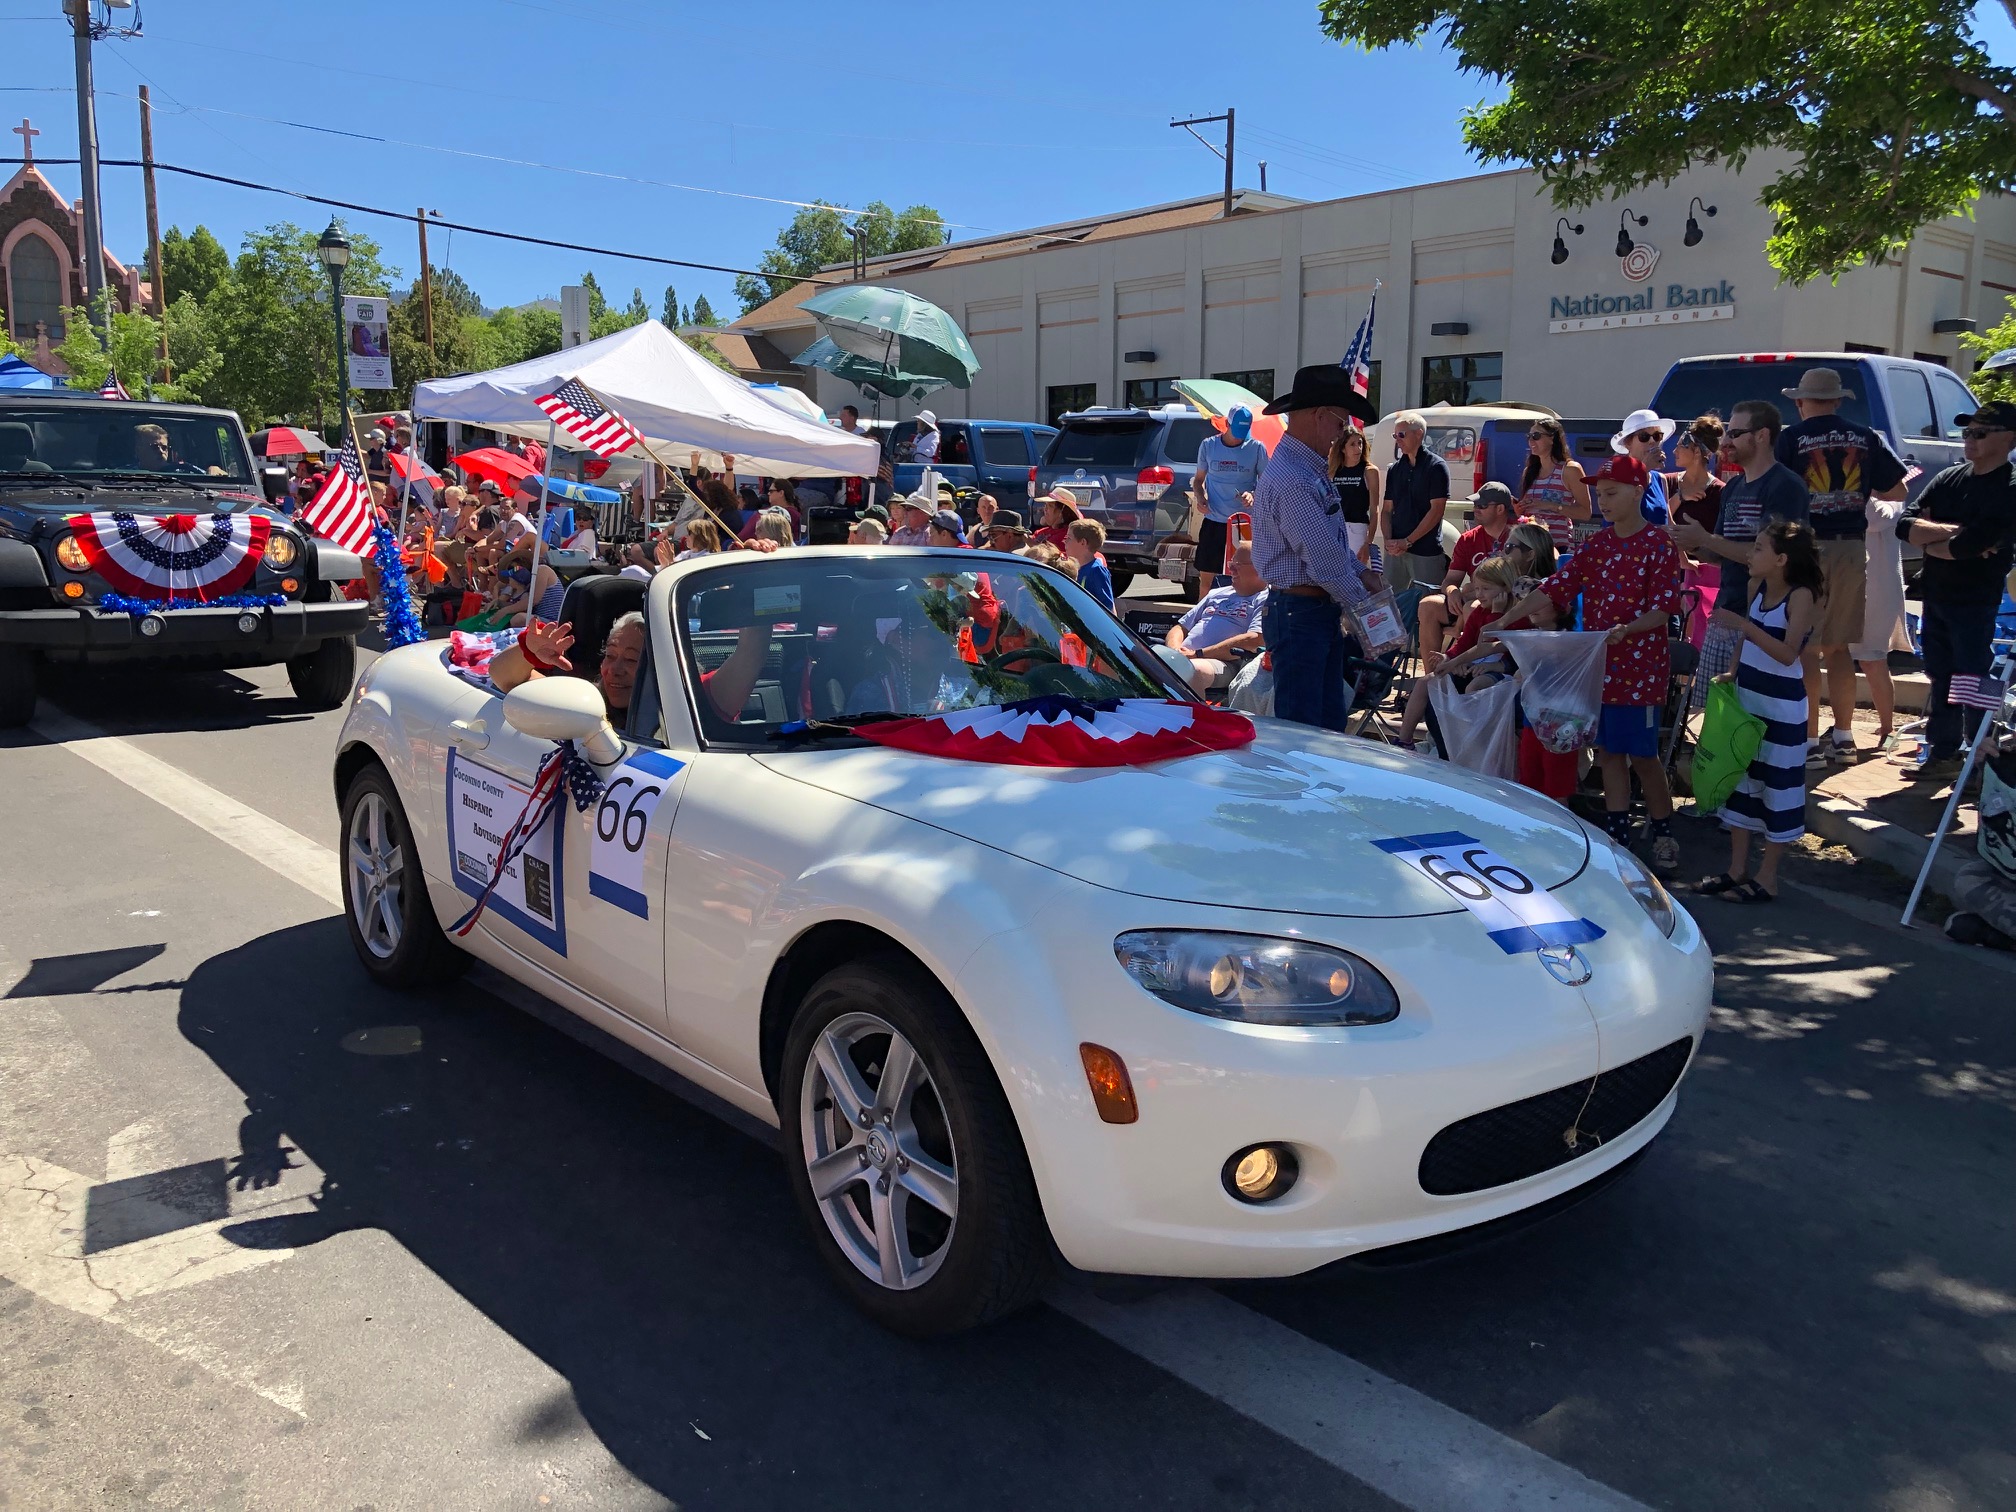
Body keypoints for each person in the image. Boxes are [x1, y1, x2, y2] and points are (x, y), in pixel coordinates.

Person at [1492, 454, 1686, 870]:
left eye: (1612, 493)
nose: (1604, 502)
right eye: (1600, 494)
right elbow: (1556, 587)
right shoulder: (1597, 545)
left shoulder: (1658, 544)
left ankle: (1664, 833)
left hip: (1641, 672)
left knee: (1644, 757)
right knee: (1609, 755)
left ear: (1638, 491)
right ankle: (1618, 836)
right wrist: (1508, 617)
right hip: (1599, 669)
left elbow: (1662, 610)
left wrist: (1628, 630)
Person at [1771, 368, 1910, 767]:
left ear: (1800, 402)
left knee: (1806, 649)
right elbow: (1898, 489)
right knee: (1840, 649)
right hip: (1852, 546)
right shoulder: (1865, 436)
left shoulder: (1791, 438)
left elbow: (1778, 490)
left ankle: (1810, 741)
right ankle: (1846, 738)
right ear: (1837, 400)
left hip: (1807, 547)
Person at [1249, 365, 1381, 732]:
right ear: (1320, 415)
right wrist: (1368, 610)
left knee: (1322, 728)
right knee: (1306, 732)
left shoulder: (1306, 468)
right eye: (1340, 423)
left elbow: (1329, 549)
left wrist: (1365, 575)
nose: (1343, 434)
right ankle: (1300, 791)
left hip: (1307, 611)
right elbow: (1325, 563)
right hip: (1300, 613)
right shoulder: (1295, 476)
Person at [1700, 520, 1823, 901]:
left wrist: (1743, 627)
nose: (1750, 555)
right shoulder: (1759, 588)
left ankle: (1767, 877)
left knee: (1779, 789)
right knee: (1743, 783)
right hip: (1749, 702)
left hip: (1782, 710)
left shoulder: (1801, 595)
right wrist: (1733, 673)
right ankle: (1738, 869)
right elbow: (1746, 637)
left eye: (1758, 548)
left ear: (1782, 559)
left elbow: (1788, 654)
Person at [1894, 399, 2016, 781]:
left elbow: (1968, 547)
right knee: (1940, 675)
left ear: (2009, 438)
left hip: (1976, 600)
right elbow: (1906, 524)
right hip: (1936, 594)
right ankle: (1943, 753)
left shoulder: (2009, 488)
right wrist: (1952, 536)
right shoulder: (1950, 477)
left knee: (1973, 681)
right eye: (1966, 433)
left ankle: (1982, 763)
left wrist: (1941, 539)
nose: (1970, 440)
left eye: (1980, 433)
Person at [1671, 400, 1810, 709]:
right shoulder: (1734, 488)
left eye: (1734, 433)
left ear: (1761, 435)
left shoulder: (1785, 486)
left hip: (1765, 620)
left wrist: (1705, 538)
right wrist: (1688, 542)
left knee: (1754, 718)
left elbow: (1774, 559)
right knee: (1715, 712)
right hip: (1726, 612)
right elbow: (1718, 552)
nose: (1725, 442)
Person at [1397, 554, 1523, 751]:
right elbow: (1464, 644)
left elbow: (1491, 642)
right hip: (1474, 667)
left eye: (1486, 589)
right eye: (1477, 588)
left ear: (1505, 588)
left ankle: (1473, 747)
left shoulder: (1516, 616)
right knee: (1424, 683)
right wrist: (1448, 658)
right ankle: (1404, 740)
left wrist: (1497, 613)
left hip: (1502, 671)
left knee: (1475, 686)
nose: (1480, 594)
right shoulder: (1479, 612)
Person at [1418, 480, 1517, 672]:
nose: (1476, 510)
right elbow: (1450, 580)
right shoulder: (1468, 539)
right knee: (1428, 605)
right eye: (1475, 505)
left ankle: (1468, 673)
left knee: (1472, 606)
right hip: (1474, 598)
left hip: (1505, 603)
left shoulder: (1517, 536)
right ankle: (1433, 679)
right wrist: (1452, 591)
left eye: (1481, 506)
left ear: (1500, 509)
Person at [1165, 544, 1268, 691]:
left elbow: (1254, 639)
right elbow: (1180, 627)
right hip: (1183, 656)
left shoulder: (1265, 598)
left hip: (1226, 662)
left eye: (1237, 565)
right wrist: (1174, 651)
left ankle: (1189, 714)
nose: (1231, 570)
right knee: (1135, 661)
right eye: (1231, 564)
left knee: (1192, 671)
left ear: (1259, 567)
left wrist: (1198, 654)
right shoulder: (1217, 593)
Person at [1190, 405, 1269, 595]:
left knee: (1246, 581)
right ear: (1227, 424)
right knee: (1206, 581)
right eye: (1236, 430)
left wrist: (1252, 495)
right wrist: (1201, 499)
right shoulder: (1208, 445)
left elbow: (1267, 485)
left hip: (1244, 524)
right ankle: (1202, 620)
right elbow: (1198, 481)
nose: (1240, 436)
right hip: (1215, 522)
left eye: (1244, 431)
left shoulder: (1256, 448)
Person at [1665, 415, 1727, 648]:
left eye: (1681, 446)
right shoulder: (1667, 482)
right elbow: (1657, 518)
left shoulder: (1720, 492)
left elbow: (1720, 538)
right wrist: (1680, 497)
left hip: (1702, 578)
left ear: (1697, 452)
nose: (1674, 451)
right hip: (1667, 573)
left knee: (1696, 639)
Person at [1380, 411, 1450, 592]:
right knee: (1391, 604)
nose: (1397, 440)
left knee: (1429, 602)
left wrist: (1408, 541)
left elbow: (1436, 511)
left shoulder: (1436, 467)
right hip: (1396, 550)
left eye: (1401, 435)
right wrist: (1388, 541)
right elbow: (1387, 509)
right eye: (1395, 435)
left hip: (1425, 551)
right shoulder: (1395, 469)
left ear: (1418, 433)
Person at [1518, 417, 1591, 551]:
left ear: (1552, 439)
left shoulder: (1570, 470)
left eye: (1536, 436)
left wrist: (1549, 505)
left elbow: (1585, 513)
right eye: (1529, 436)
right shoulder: (1529, 472)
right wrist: (1519, 508)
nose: (1531, 441)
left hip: (1558, 547)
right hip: (1530, 547)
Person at [1612, 408, 1678, 526]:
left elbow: (1668, 523)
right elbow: (1619, 515)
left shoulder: (1660, 479)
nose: (1652, 442)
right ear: (1628, 443)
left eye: (1657, 436)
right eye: (1644, 437)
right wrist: (1644, 467)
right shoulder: (1616, 475)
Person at [1329, 424, 1382, 562]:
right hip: (1334, 528)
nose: (1358, 448)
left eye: (1360, 443)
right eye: (1352, 444)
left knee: (1357, 574)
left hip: (1357, 528)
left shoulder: (1369, 471)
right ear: (1342, 448)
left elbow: (1374, 509)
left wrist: (1368, 542)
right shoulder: (1333, 471)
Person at [1064, 518, 1114, 608]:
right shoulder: (1071, 568)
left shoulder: (1096, 571)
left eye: (1069, 538)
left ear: (1083, 542)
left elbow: (1108, 608)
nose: (1064, 541)